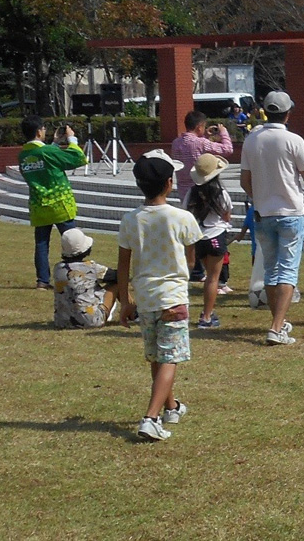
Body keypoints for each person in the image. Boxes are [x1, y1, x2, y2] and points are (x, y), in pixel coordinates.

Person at [116, 150, 201, 442]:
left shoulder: (130, 219)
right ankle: (151, 418)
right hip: (173, 296)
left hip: (145, 297)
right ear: (169, 183)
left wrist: (125, 301)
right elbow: (191, 260)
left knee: (157, 356)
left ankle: (171, 407)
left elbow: (123, 265)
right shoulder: (182, 217)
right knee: (170, 358)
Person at [239, 91, 304, 346]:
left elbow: (245, 181)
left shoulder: (252, 138)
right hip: (291, 211)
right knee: (288, 271)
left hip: (263, 212)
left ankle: (278, 324)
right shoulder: (294, 140)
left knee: (271, 270)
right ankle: (275, 327)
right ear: (287, 113)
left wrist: (259, 197)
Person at [19, 116, 87, 290]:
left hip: (39, 206)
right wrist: (72, 139)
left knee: (41, 244)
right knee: (73, 241)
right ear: (38, 132)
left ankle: (42, 280)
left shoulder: (24, 155)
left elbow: (45, 159)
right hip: (59, 205)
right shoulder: (47, 151)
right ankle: (78, 276)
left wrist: (55, 143)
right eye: (43, 129)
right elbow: (78, 158)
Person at [171, 111, 234, 281]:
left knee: (193, 228)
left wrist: (205, 136)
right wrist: (223, 133)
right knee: (209, 225)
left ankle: (196, 269)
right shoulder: (200, 143)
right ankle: (215, 270)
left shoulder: (176, 143)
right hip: (203, 189)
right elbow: (227, 149)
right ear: (199, 126)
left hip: (185, 191)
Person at [184, 154, 233, 329]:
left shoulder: (192, 193)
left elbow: (186, 213)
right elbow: (227, 216)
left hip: (198, 237)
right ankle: (206, 316)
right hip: (216, 236)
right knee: (213, 278)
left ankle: (208, 312)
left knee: (208, 276)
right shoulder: (221, 193)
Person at [53, 227, 118, 329]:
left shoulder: (57, 268)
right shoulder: (91, 267)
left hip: (62, 321)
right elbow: (117, 276)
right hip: (90, 321)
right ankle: (134, 313)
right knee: (118, 284)